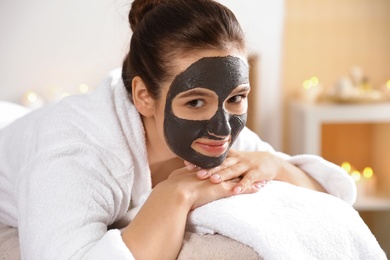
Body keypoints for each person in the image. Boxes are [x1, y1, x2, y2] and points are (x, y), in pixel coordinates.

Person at [0, 0, 356, 259]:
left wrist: (275, 165)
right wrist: (175, 195)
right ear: (143, 96)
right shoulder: (75, 152)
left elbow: (332, 195)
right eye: (195, 102)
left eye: (236, 98)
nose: (222, 128)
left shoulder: (224, 130)